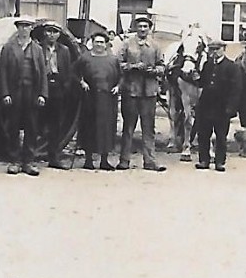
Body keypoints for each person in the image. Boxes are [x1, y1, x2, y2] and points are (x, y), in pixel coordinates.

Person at [0, 15, 48, 176]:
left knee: (32, 127)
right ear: (17, 28)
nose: (23, 29)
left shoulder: (37, 49)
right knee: (13, 127)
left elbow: (43, 73)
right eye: (21, 26)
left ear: (31, 29)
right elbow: (2, 72)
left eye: (26, 26)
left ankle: (28, 161)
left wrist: (42, 94)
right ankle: (15, 160)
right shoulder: (9, 48)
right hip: (15, 92)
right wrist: (5, 92)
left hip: (31, 92)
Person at [116, 14, 167, 171]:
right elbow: (117, 63)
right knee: (128, 127)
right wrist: (131, 67)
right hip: (131, 91)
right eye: (140, 26)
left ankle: (150, 161)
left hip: (149, 92)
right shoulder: (127, 44)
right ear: (135, 28)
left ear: (149, 28)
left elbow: (162, 66)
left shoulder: (155, 46)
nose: (143, 29)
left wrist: (154, 70)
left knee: (148, 128)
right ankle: (124, 160)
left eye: (145, 26)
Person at [194, 38, 243, 172]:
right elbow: (202, 83)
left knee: (221, 136)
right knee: (203, 134)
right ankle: (204, 160)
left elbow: (236, 89)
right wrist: (196, 78)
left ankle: (220, 162)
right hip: (206, 106)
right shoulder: (207, 65)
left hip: (222, 108)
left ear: (224, 49)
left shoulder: (232, 67)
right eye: (212, 49)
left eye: (217, 49)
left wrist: (231, 108)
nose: (214, 52)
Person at [75, 31, 121, 171]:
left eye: (102, 42)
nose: (99, 44)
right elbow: (74, 73)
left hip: (107, 99)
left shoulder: (113, 59)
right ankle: (88, 160)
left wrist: (118, 86)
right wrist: (81, 82)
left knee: (106, 128)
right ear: (92, 43)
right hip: (90, 98)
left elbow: (121, 76)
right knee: (89, 127)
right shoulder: (85, 58)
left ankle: (104, 161)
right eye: (97, 42)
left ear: (106, 44)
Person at [37, 20, 77, 170]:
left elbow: (68, 71)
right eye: (49, 31)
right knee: (37, 122)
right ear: (44, 33)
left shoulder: (64, 51)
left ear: (59, 34)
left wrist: (65, 87)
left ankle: (53, 157)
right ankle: (29, 155)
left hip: (57, 87)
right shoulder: (37, 48)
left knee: (55, 125)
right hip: (41, 87)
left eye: (55, 32)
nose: (51, 34)